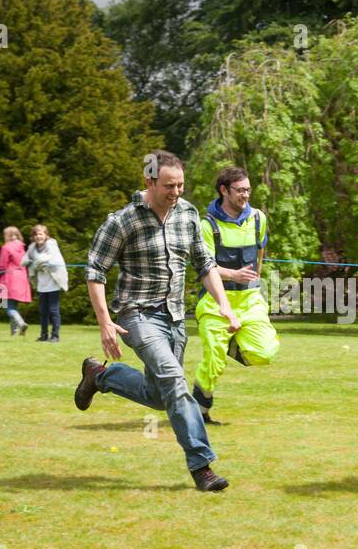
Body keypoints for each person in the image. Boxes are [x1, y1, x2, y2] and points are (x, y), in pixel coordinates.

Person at [74, 150, 241, 492]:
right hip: (137, 315)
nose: (176, 192)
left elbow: (204, 264)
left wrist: (224, 304)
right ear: (149, 182)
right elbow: (95, 272)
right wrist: (105, 321)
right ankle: (202, 466)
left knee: (159, 395)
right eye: (168, 185)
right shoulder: (122, 221)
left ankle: (101, 376)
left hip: (175, 318)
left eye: (180, 185)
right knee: (176, 382)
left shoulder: (188, 215)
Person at [191, 166, 280, 425]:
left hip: (250, 299)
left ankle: (231, 344)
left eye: (248, 190)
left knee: (265, 352)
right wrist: (233, 275)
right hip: (215, 302)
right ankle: (200, 411)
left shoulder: (259, 219)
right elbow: (204, 266)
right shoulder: (207, 225)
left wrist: (254, 285)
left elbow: (259, 254)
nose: (245, 196)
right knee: (213, 360)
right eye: (240, 190)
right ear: (224, 191)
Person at [22, 224, 68, 342]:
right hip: (41, 284)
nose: (39, 236)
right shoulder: (32, 247)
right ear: (33, 236)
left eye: (41, 234)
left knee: (53, 310)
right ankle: (43, 335)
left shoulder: (52, 244)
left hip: (53, 282)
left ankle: (55, 336)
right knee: (43, 312)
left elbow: (55, 259)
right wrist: (34, 263)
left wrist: (39, 262)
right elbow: (24, 260)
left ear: (46, 235)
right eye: (36, 234)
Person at [0, 226, 31, 336]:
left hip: (9, 279)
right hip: (21, 278)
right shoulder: (22, 247)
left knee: (7, 306)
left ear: (7, 235)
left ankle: (21, 323)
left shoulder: (6, 247)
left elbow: (2, 266)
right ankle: (14, 332)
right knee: (14, 306)